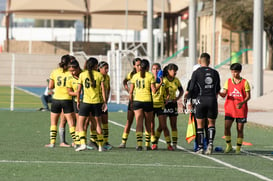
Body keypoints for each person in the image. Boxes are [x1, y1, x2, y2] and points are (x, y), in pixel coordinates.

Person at [187, 53, 221, 155]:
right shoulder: (215, 72)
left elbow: (191, 88)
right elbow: (218, 89)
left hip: (200, 100)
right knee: (211, 124)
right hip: (212, 100)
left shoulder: (196, 72)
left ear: (199, 61)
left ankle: (200, 147)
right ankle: (210, 143)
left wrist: (189, 102)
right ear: (209, 61)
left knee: (200, 125)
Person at [76, 57, 107, 152]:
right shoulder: (99, 75)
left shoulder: (82, 75)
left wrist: (78, 101)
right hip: (96, 102)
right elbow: (103, 90)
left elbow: (78, 90)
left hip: (85, 102)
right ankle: (101, 146)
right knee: (98, 124)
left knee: (80, 124)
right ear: (96, 66)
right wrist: (105, 102)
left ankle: (83, 144)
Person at [45, 54, 76, 148]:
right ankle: (76, 142)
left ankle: (52, 142)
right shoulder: (71, 73)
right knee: (71, 123)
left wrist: (58, 86)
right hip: (67, 99)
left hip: (56, 100)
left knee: (53, 123)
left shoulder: (55, 72)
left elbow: (50, 86)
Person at [219, 63, 251, 154]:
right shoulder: (228, 81)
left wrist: (242, 103)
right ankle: (228, 146)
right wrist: (218, 92)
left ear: (240, 71)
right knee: (226, 127)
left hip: (241, 110)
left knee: (240, 129)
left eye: (236, 72)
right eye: (232, 71)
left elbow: (248, 96)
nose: (234, 74)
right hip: (229, 110)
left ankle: (238, 148)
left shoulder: (245, 82)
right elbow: (224, 94)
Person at [129, 59, 156, 151]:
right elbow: (154, 91)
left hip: (137, 101)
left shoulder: (135, 76)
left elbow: (131, 92)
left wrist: (131, 102)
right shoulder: (150, 76)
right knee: (148, 123)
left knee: (139, 123)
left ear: (140, 67)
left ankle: (139, 144)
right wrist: (159, 84)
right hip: (148, 101)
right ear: (148, 67)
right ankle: (147, 144)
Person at [118, 58, 142, 148]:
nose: (139, 67)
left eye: (140, 65)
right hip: (133, 100)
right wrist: (128, 90)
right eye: (137, 65)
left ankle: (139, 143)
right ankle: (123, 142)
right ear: (134, 66)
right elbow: (124, 81)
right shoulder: (132, 75)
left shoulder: (145, 74)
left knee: (139, 122)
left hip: (141, 100)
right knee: (129, 121)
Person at [150, 63, 173, 151]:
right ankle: (154, 144)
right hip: (151, 105)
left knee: (164, 126)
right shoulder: (150, 79)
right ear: (151, 70)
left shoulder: (164, 80)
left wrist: (167, 98)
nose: (156, 71)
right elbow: (153, 91)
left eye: (157, 69)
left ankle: (169, 144)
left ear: (160, 70)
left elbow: (167, 91)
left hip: (160, 106)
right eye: (154, 69)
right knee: (151, 126)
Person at [161, 63, 184, 150]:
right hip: (164, 104)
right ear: (169, 71)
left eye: (176, 71)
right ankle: (166, 143)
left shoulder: (176, 80)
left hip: (172, 104)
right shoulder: (164, 80)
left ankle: (174, 144)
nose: (175, 73)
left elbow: (181, 90)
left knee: (173, 124)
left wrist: (177, 98)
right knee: (162, 125)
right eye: (174, 71)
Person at [66, 59, 83, 148]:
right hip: (77, 102)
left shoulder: (84, 75)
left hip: (88, 101)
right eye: (70, 71)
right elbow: (69, 92)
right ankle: (77, 141)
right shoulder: (70, 79)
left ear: (78, 68)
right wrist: (77, 93)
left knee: (88, 122)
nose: (72, 73)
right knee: (79, 121)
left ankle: (93, 141)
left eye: (73, 70)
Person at [98, 61, 113, 150]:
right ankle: (93, 141)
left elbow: (108, 89)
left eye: (108, 68)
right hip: (95, 102)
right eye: (105, 68)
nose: (107, 70)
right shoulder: (97, 76)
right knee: (93, 123)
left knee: (105, 122)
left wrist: (106, 100)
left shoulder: (107, 77)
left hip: (103, 103)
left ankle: (105, 141)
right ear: (100, 68)